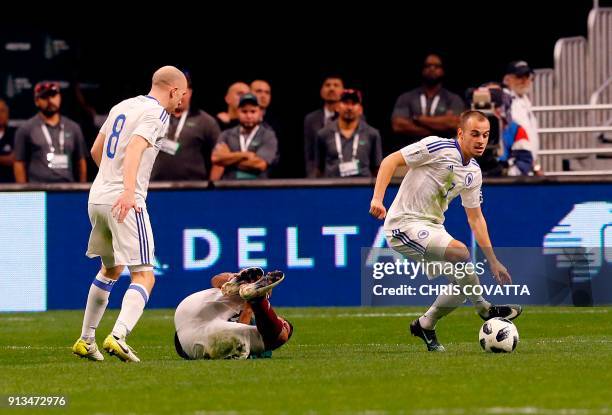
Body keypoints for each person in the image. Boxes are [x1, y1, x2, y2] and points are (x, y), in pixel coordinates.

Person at [369, 110, 522, 352]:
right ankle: (484, 308)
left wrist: (493, 261)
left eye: (486, 135)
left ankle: (425, 324)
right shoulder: (437, 147)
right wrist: (378, 199)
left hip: (432, 228)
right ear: (460, 133)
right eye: (475, 134)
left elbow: (476, 219)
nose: (481, 140)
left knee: (462, 285)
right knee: (460, 252)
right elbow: (390, 160)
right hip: (403, 224)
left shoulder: (473, 172)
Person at [72, 66, 188, 362]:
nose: (181, 101)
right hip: (125, 200)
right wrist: (126, 190)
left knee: (111, 269)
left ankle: (86, 340)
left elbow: (97, 150)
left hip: (97, 197)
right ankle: (119, 335)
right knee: (145, 275)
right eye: (182, 94)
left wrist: (110, 182)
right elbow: (136, 148)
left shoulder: (122, 105)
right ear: (173, 90)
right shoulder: (158, 114)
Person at [174, 267, 293, 360]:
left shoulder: (250, 323)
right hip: (198, 338)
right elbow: (216, 280)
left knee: (277, 336)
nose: (280, 321)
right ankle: (254, 296)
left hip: (187, 309)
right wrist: (253, 298)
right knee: (279, 336)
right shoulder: (259, 332)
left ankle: (243, 286)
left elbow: (215, 280)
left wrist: (248, 308)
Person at [151, 72, 221, 181]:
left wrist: (212, 187)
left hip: (193, 189)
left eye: (183, 92)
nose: (179, 96)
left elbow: (219, 158)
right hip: (154, 186)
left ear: (191, 92)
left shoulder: (206, 121)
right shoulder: (153, 117)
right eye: (175, 91)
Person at [13, 82, 87, 183]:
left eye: (53, 95)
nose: (50, 100)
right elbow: (19, 163)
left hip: (68, 189)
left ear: (60, 97)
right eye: (44, 97)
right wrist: (22, 193)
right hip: (37, 190)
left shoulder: (73, 128)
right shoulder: (26, 129)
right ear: (36, 101)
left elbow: (81, 162)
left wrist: (81, 190)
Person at [391, 54, 465, 149]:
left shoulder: (453, 99)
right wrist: (440, 130)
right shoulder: (406, 97)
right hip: (411, 152)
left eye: (436, 66)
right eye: (428, 66)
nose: (432, 69)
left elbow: (455, 124)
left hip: (443, 153)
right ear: (422, 69)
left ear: (442, 70)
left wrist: (418, 119)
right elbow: (398, 125)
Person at [314, 89, 382, 177]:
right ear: (337, 107)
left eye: (354, 103)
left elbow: (376, 169)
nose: (349, 107)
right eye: (345, 102)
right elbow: (319, 169)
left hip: (363, 188)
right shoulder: (323, 134)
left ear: (360, 109)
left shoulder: (372, 134)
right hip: (332, 188)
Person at [211, 93, 278, 180]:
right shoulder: (226, 134)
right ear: (238, 112)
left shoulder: (268, 135)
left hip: (258, 188)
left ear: (260, 113)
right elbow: (216, 158)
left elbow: (260, 164)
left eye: (253, 111)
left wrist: (228, 158)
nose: (249, 116)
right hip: (230, 187)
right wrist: (245, 155)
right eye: (244, 111)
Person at [503, 60, 540, 173]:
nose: (524, 80)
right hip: (514, 165)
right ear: (507, 80)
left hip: (526, 165)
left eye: (527, 76)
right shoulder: (505, 101)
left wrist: (535, 166)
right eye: (519, 76)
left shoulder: (524, 100)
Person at [304, 76, 344, 177]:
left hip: (346, 174)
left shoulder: (353, 117)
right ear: (321, 91)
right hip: (320, 176)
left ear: (343, 91)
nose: (332, 88)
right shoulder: (311, 119)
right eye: (328, 85)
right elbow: (309, 154)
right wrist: (312, 178)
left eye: (336, 85)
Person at [0, 99, 15, 182]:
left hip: (9, 187)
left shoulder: (15, 135)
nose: (0, 114)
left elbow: (14, 159)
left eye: (2, 111)